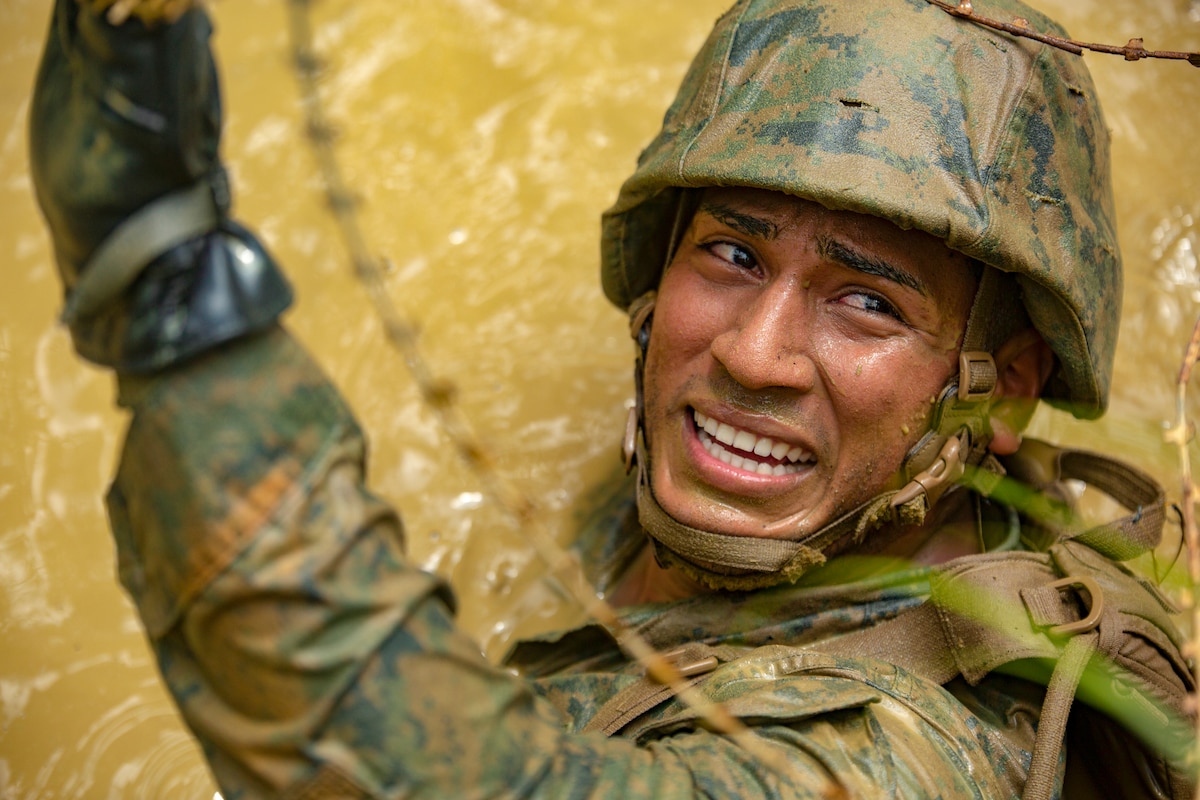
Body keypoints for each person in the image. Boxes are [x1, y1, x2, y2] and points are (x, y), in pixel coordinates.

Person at [28, 0, 1195, 797]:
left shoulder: (909, 753)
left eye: (868, 304)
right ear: (653, 277)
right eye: (732, 255)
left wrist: (171, 296)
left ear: (998, 398)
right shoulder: (807, 485)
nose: (755, 352)